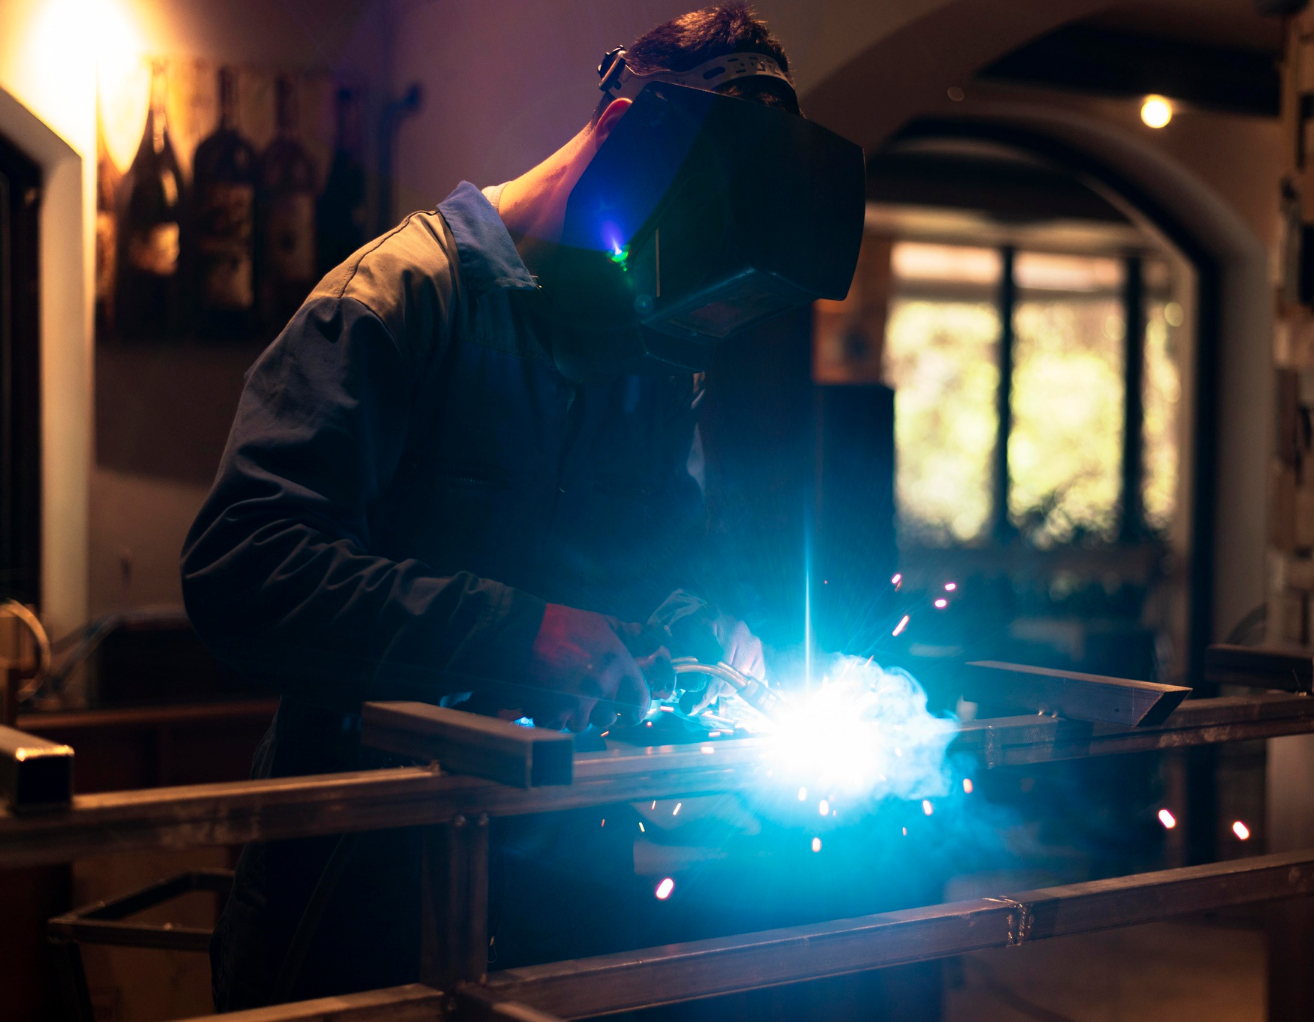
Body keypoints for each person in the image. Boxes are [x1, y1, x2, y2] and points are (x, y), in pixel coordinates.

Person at [182, 2, 861, 1010]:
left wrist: (702, 634)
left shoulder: (648, 354)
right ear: (622, 133)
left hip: (563, 901)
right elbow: (243, 565)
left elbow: (661, 566)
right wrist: (515, 632)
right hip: (355, 903)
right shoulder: (399, 297)